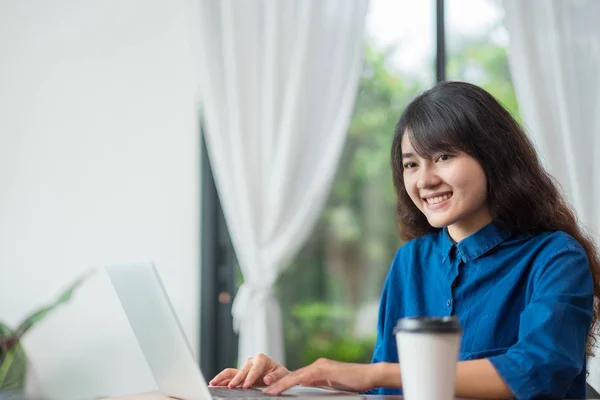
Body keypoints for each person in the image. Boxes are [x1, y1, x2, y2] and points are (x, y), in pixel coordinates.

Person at [209, 81, 600, 399]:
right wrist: (291, 384)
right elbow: (384, 390)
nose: (424, 179)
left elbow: (538, 371)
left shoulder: (555, 257)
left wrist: (376, 373)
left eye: (444, 156)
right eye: (411, 163)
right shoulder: (411, 261)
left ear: (494, 157)